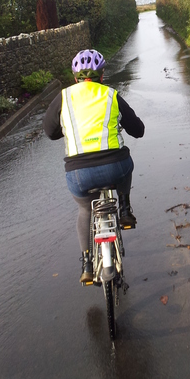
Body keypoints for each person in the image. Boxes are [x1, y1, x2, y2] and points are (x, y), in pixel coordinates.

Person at [43, 49, 145, 283]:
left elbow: (49, 131)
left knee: (85, 210)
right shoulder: (111, 95)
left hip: (79, 175)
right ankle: (125, 209)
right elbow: (137, 130)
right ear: (102, 74)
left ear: (74, 76)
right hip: (115, 167)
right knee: (126, 163)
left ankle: (87, 264)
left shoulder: (63, 97)